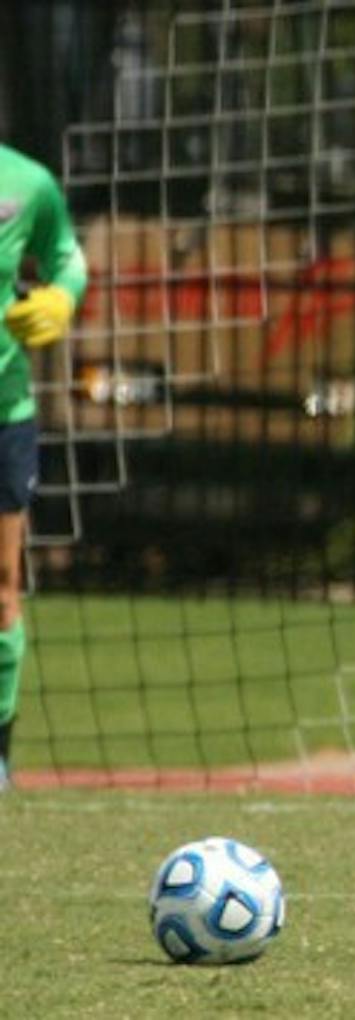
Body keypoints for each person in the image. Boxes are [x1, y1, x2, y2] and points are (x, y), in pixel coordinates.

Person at [0, 144, 84, 794]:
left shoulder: (28, 180)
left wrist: (61, 297)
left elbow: (67, 256)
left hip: (6, 414)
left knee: (2, 584)